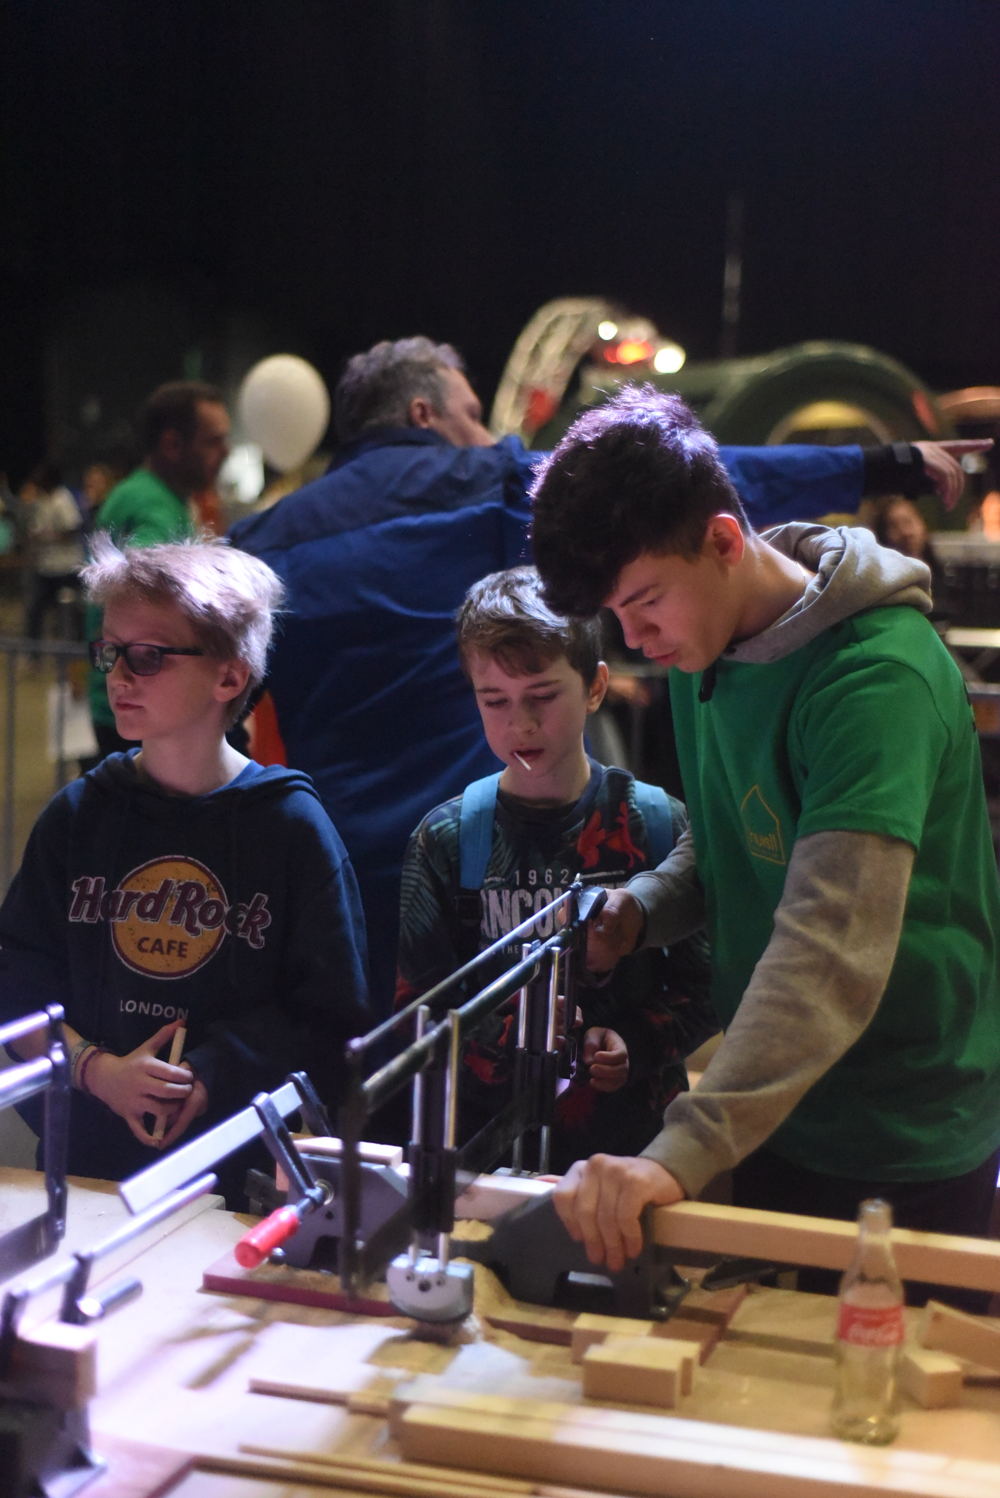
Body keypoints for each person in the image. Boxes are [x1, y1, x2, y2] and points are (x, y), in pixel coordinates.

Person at [230, 334, 979, 1017]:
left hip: (333, 869)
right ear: (422, 414)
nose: (488, 436)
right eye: (472, 415)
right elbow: (685, 487)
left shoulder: (258, 540)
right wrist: (877, 465)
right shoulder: (480, 482)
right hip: (491, 856)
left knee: (369, 1083)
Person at [529, 386, 1000, 1308]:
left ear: (722, 540)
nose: (635, 638)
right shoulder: (705, 641)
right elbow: (740, 837)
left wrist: (680, 1151)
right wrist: (644, 909)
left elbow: (830, 950)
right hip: (778, 1106)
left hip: (906, 1131)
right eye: (618, 616)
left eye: (645, 603)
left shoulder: (877, 678)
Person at [0, 534, 369, 1204]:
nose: (117, 676)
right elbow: (16, 983)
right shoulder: (78, 816)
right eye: (110, 651)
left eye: (147, 656)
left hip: (234, 1181)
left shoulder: (290, 828)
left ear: (229, 677)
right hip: (84, 1172)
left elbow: (330, 1017)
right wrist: (96, 1071)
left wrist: (212, 1071)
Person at [396, 566, 716, 1170]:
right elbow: (419, 1013)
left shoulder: (657, 823)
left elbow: (708, 987)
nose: (520, 723)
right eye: (495, 701)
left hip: (632, 1156)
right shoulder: (444, 840)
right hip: (487, 1158)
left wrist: (635, 1042)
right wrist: (508, 1037)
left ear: (596, 687)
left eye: (542, 696)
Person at [87, 381, 231, 760]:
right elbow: (149, 610)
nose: (226, 452)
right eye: (213, 441)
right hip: (144, 708)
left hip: (128, 702)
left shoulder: (140, 493)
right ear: (172, 444)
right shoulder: (155, 508)